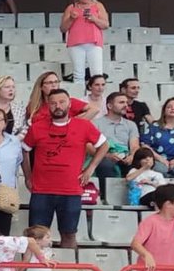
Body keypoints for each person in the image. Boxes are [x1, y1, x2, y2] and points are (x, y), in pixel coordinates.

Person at [22, 89, 109, 249]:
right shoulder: (37, 127)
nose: (58, 106)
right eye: (53, 103)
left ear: (70, 104)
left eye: (62, 102)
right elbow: (24, 149)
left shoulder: (83, 125)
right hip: (42, 190)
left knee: (69, 235)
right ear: (48, 105)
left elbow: (104, 145)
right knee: (36, 235)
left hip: (71, 190)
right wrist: (28, 176)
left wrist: (90, 169)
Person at [60, 0, 109, 86]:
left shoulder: (98, 6)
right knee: (78, 74)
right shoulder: (71, 7)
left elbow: (105, 25)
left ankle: (97, 98)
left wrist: (94, 19)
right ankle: (79, 98)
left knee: (97, 74)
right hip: (75, 43)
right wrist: (71, 19)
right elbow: (63, 28)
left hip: (94, 43)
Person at [93, 92, 141, 188]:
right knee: (105, 164)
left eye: (126, 103)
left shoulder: (131, 124)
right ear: (110, 106)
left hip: (125, 156)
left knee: (137, 163)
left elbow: (135, 146)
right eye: (121, 102)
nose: (125, 105)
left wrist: (132, 156)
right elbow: (89, 146)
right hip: (104, 155)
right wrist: (107, 155)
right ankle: (105, 195)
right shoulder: (96, 123)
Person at [27, 72, 93, 127]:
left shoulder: (68, 101)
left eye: (56, 82)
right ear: (41, 86)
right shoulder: (33, 105)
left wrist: (73, 123)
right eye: (50, 82)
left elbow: (94, 109)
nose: (54, 85)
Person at [139, 97, 174, 178]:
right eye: (169, 107)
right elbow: (145, 145)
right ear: (164, 110)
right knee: (160, 170)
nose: (172, 108)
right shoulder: (154, 127)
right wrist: (160, 159)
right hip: (157, 159)